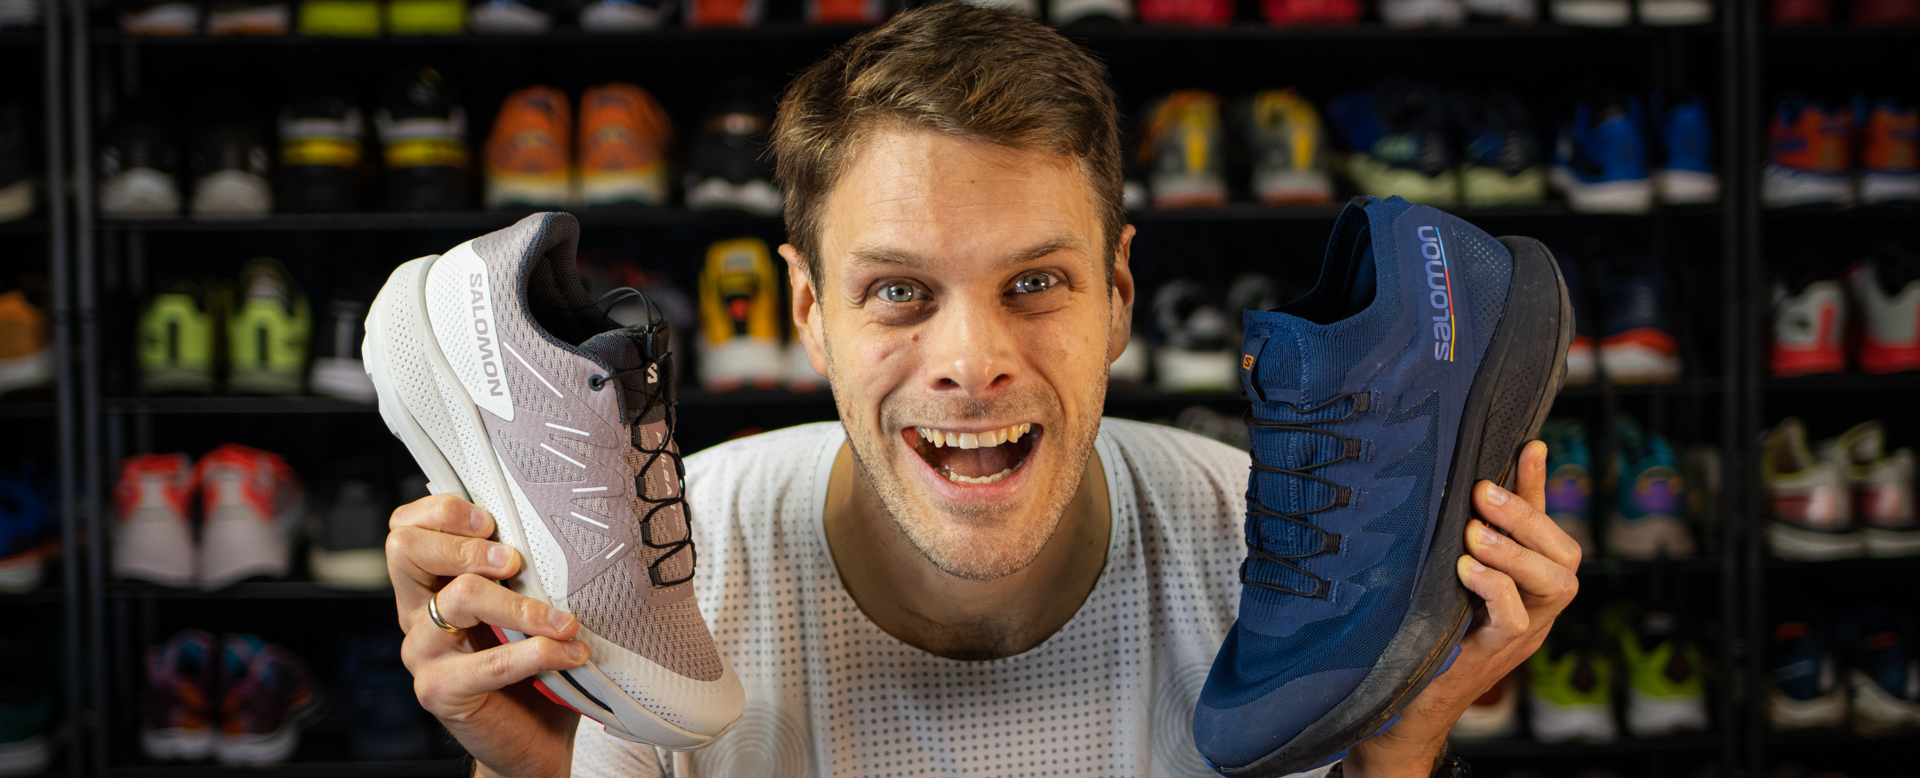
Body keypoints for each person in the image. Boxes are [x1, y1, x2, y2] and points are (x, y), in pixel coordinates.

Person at [382, 5, 1582, 776]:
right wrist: (531, 768)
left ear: (1119, 294)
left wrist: (1397, 745)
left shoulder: (1275, 548)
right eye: (900, 290)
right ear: (809, 310)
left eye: (1036, 282)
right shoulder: (658, 591)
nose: (971, 360)